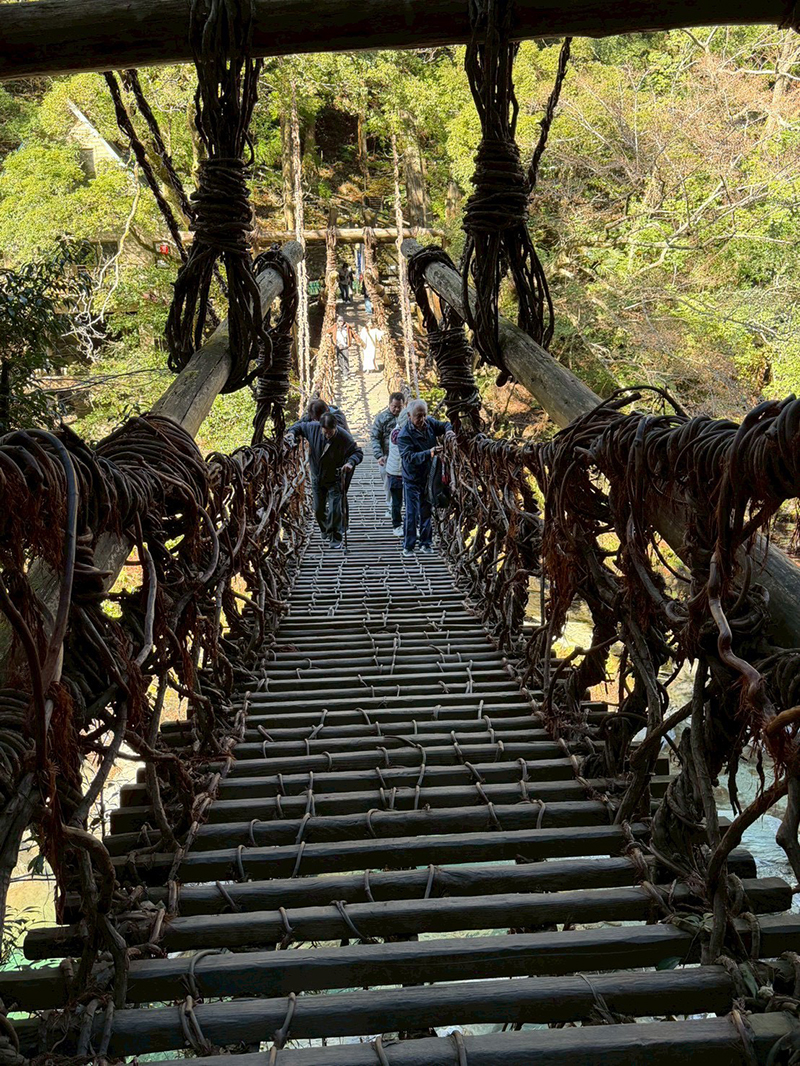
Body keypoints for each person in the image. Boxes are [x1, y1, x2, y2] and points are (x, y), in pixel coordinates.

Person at [285, 412, 363, 547]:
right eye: (325, 432)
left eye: (330, 432)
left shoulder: (344, 437)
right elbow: (299, 426)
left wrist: (350, 462)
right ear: (321, 427)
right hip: (317, 477)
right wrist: (292, 433)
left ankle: (335, 538)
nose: (327, 435)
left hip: (335, 478)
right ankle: (326, 529)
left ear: (335, 428)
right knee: (318, 510)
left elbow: (357, 452)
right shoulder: (313, 428)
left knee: (334, 510)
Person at [397, 398, 454, 557]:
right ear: (409, 416)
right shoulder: (404, 435)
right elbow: (408, 457)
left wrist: (449, 432)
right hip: (412, 479)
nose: (422, 419)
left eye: (424, 415)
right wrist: (429, 453)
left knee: (426, 510)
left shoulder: (429, 424)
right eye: (418, 416)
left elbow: (445, 425)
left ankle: (425, 543)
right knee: (411, 513)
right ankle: (408, 545)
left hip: (428, 477)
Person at [371, 392, 405, 519]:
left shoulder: (406, 417)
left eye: (399, 407)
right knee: (388, 483)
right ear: (389, 404)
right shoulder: (381, 418)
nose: (396, 409)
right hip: (386, 456)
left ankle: (400, 507)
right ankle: (391, 507)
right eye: (394, 406)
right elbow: (375, 437)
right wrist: (378, 455)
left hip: (402, 456)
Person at [384, 408, 408, 537]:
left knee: (408, 501)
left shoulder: (400, 431)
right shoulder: (397, 434)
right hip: (396, 472)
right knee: (397, 502)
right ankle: (397, 525)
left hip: (402, 472)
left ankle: (410, 525)